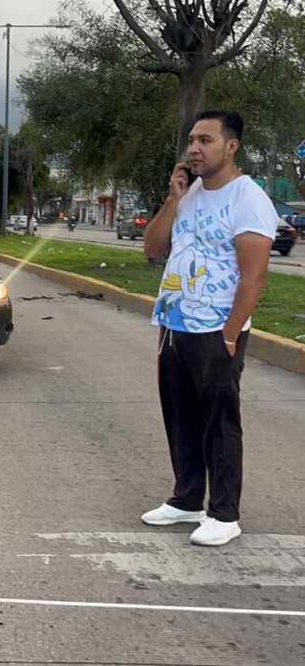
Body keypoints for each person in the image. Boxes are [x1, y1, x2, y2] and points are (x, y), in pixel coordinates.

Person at [142, 111, 279, 547]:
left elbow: (254, 275)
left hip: (217, 328)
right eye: (192, 141)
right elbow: (153, 249)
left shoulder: (248, 198)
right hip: (174, 323)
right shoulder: (190, 193)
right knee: (180, 416)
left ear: (231, 146)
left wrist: (231, 333)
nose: (195, 149)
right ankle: (186, 499)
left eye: (205, 140)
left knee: (219, 422)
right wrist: (173, 199)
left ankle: (224, 513)